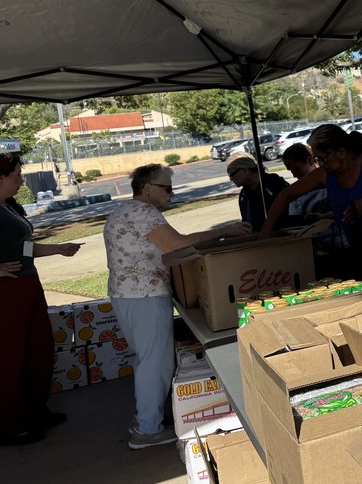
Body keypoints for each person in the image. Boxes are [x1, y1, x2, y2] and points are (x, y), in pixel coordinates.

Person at [103, 164, 249, 449]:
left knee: (148, 359)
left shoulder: (125, 211)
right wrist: (225, 231)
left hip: (128, 295)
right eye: (167, 188)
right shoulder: (143, 212)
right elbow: (176, 245)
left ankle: (147, 417)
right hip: (144, 295)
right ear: (148, 190)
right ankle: (147, 429)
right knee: (155, 363)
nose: (172, 193)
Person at [260, 125, 362, 291]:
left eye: (323, 158)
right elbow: (286, 195)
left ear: (340, 152)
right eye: (317, 160)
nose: (320, 164)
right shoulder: (325, 174)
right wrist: (268, 227)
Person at [0, 153, 81, 446]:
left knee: (38, 350)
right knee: (9, 359)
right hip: (6, 292)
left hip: (26, 284)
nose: (21, 180)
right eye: (17, 175)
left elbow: (22, 249)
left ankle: (35, 411)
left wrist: (59, 248)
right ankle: (11, 425)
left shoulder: (8, 207)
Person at [279, 143, 346, 278]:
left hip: (347, 248)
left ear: (310, 160)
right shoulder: (296, 194)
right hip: (318, 256)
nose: (294, 175)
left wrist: (327, 216)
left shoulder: (335, 180)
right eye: (290, 170)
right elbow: (296, 228)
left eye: (296, 169)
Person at [225, 152, 288, 233]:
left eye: (232, 175)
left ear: (244, 170)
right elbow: (247, 222)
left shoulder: (274, 183)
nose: (231, 179)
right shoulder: (244, 195)